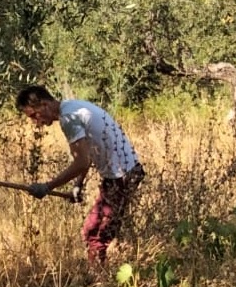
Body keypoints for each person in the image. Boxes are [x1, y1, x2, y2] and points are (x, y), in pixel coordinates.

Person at [16, 85, 146, 265]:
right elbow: (87, 154)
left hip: (121, 177)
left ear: (44, 104)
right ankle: (104, 278)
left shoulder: (69, 118)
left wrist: (47, 187)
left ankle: (100, 284)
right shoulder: (72, 107)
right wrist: (79, 183)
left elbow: (81, 162)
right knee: (97, 232)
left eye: (33, 115)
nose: (35, 122)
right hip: (123, 174)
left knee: (94, 235)